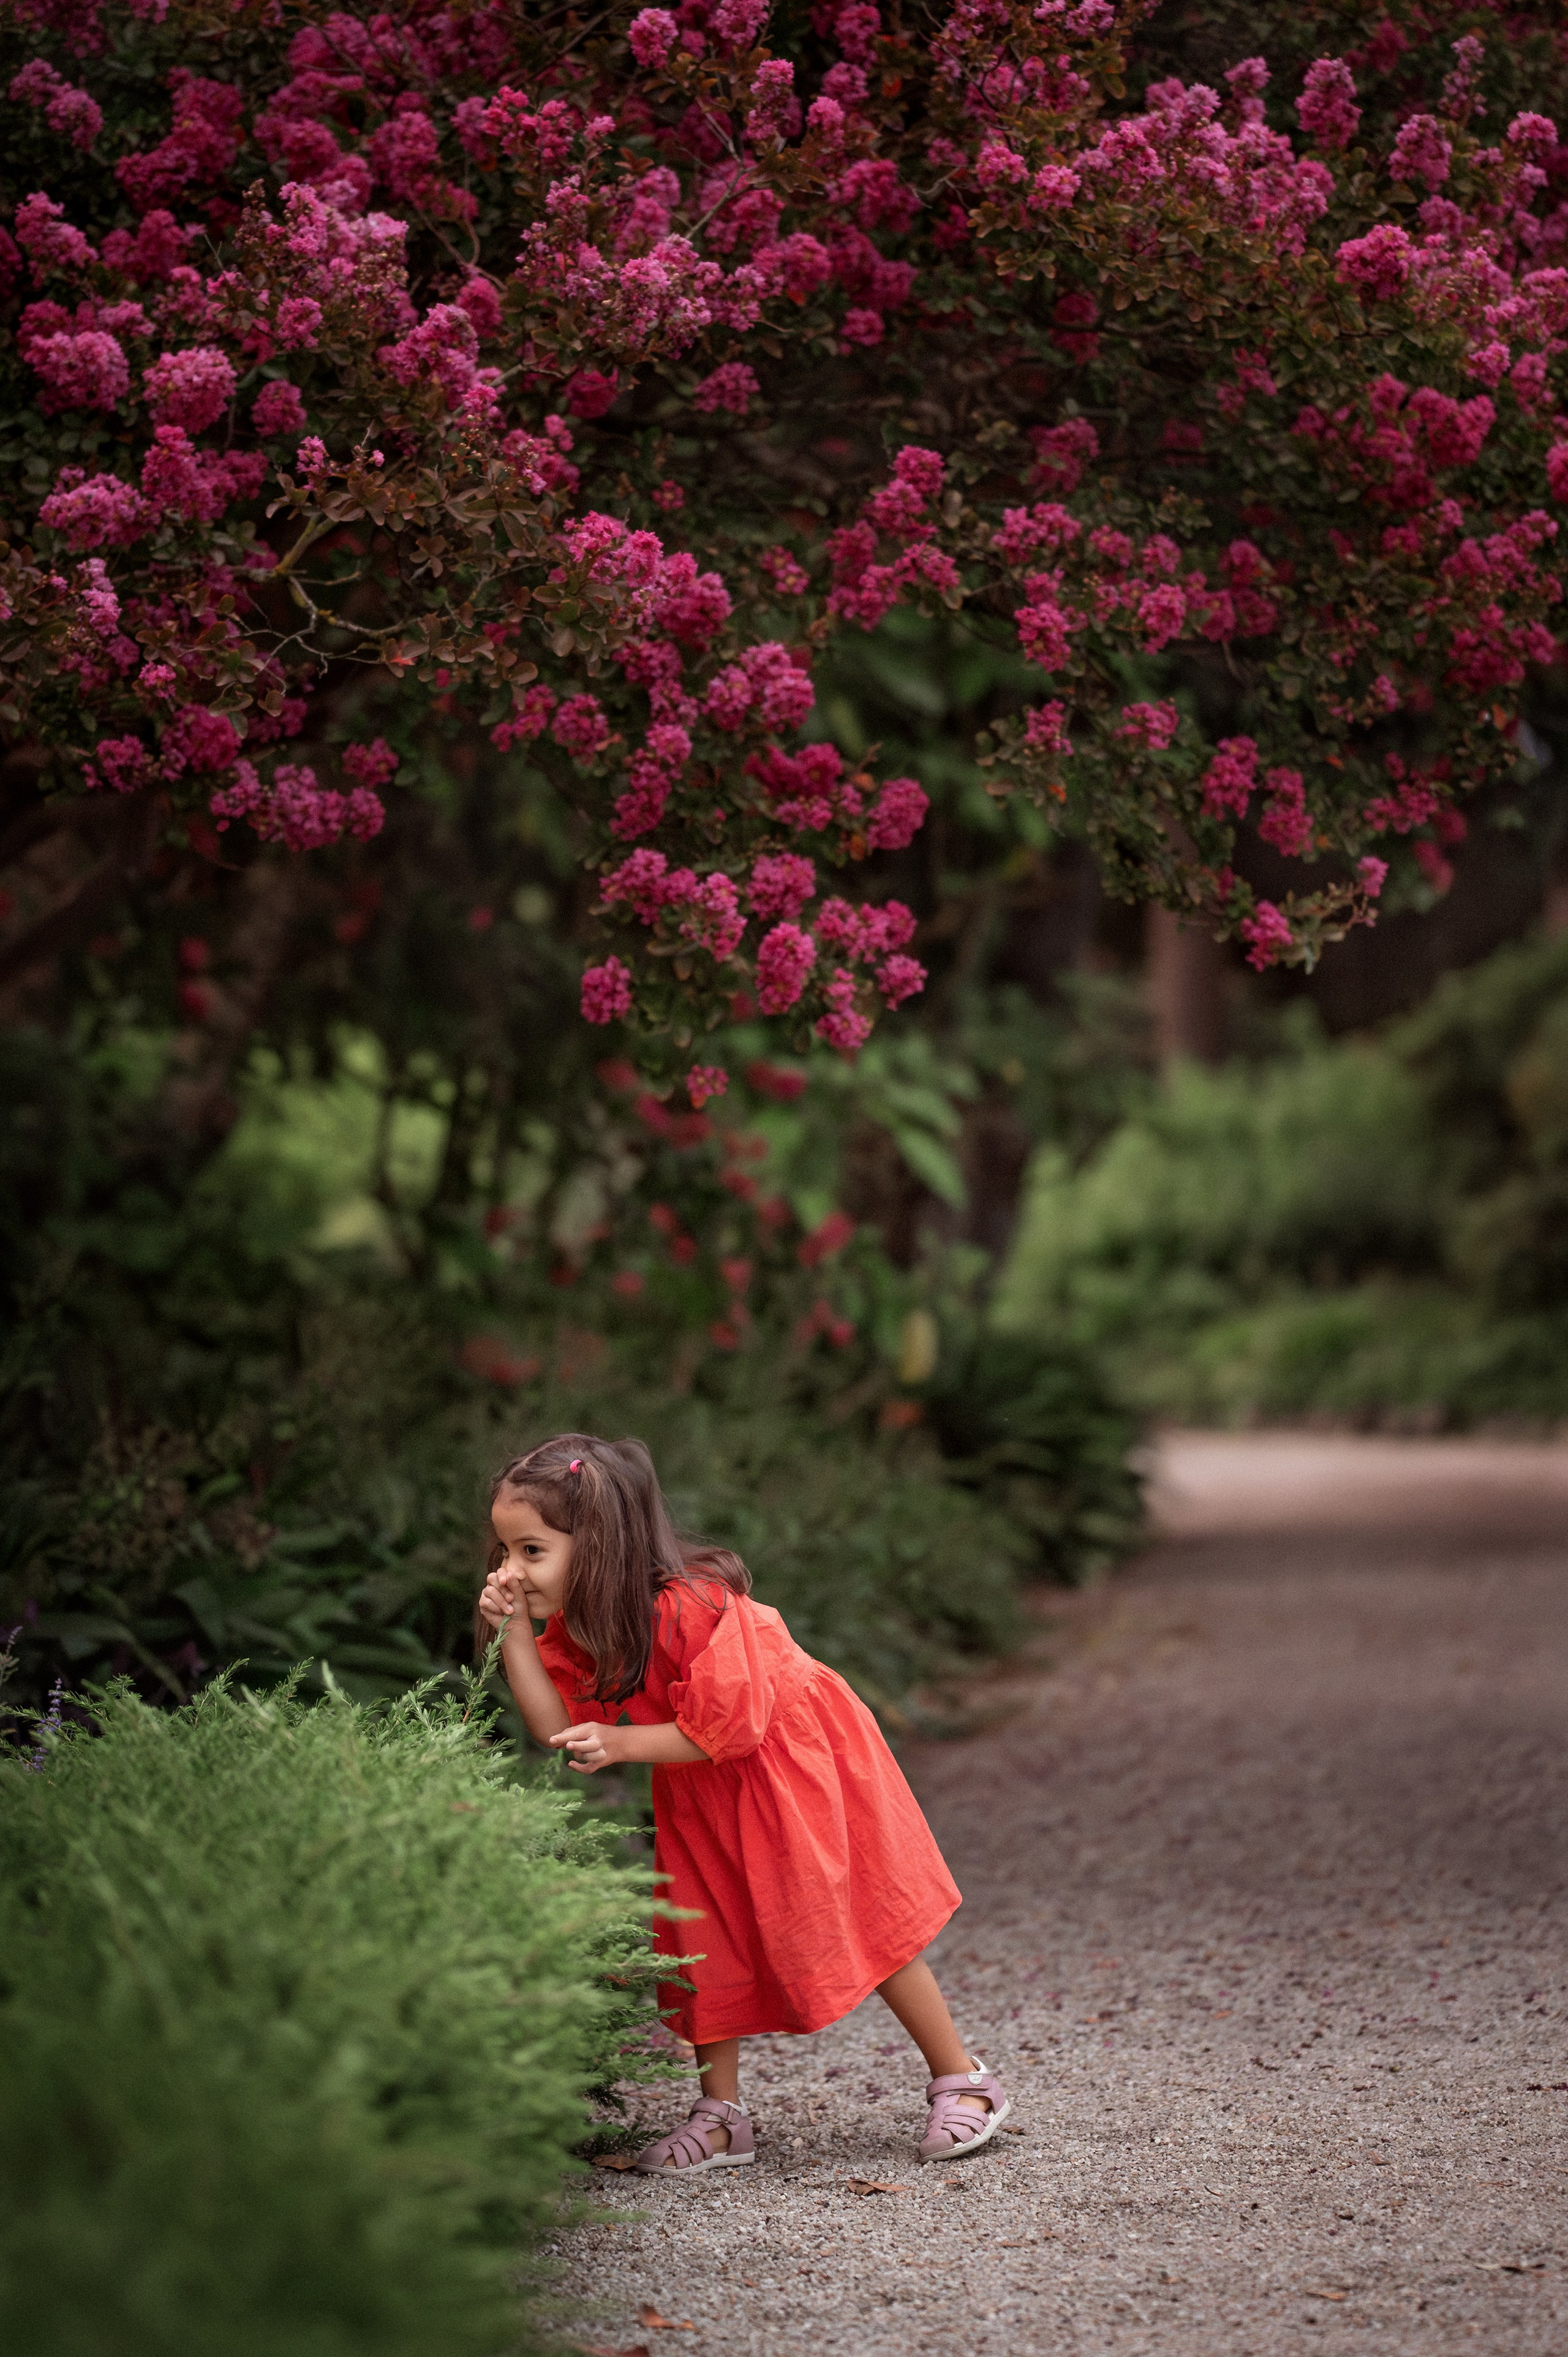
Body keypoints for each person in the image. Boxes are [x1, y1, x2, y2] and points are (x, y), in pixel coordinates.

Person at [476, 1431, 1011, 2178]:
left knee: (857, 1911)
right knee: (702, 1933)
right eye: (504, 1552)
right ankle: (721, 2115)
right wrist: (513, 1635)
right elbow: (549, 1724)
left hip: (789, 1766)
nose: (510, 1569)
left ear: (597, 1545)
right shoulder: (591, 1629)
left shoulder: (693, 1606)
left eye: (531, 1550)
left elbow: (730, 1727)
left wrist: (625, 1745)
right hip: (702, 1784)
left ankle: (964, 2077)